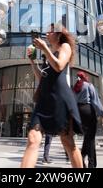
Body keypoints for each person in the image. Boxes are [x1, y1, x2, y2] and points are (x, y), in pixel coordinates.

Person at [21, 23, 83, 168]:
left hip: (60, 99)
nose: (46, 34)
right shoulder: (48, 54)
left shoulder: (64, 47)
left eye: (50, 32)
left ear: (58, 34)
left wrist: (44, 49)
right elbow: (42, 78)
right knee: (32, 139)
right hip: (44, 100)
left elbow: (59, 66)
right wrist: (32, 62)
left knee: (68, 142)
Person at [73, 71, 103, 168]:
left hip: (78, 113)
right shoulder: (89, 85)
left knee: (87, 137)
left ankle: (81, 157)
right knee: (91, 138)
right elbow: (95, 101)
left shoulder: (75, 88)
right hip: (88, 111)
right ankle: (92, 165)